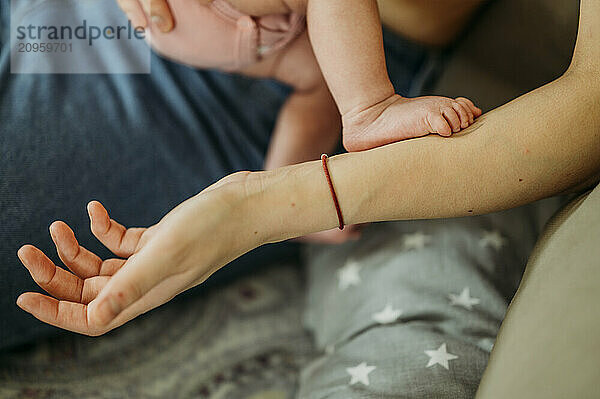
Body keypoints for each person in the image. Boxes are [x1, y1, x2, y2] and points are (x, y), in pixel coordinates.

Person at [15, 0, 599, 337]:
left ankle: (339, 132)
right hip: (202, 23)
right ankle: (363, 110)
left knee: (314, 82)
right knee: (314, 80)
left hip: (265, 36)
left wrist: (267, 206)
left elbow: (590, 107)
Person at [138, 0, 481, 171]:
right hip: (192, 12)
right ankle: (370, 108)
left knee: (324, 80)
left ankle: (283, 187)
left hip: (188, 27)